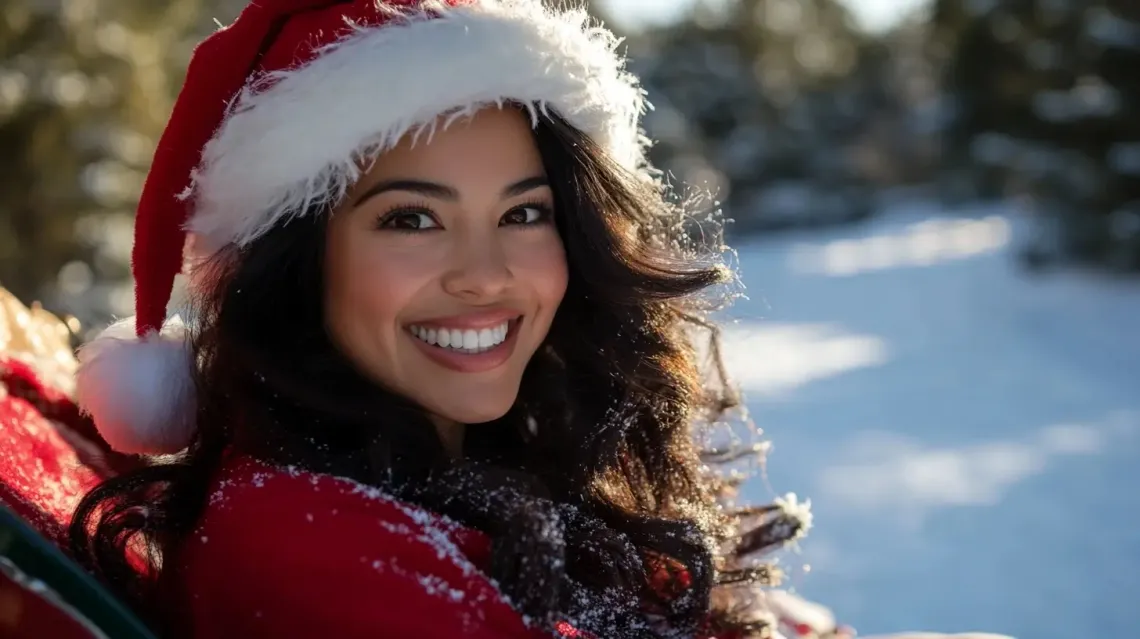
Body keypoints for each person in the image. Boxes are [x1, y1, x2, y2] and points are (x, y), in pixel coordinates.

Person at [62, 2, 1012, 639]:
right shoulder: (311, 542)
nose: (489, 277)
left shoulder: (462, 464)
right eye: (412, 219)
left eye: (525, 212)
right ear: (297, 263)